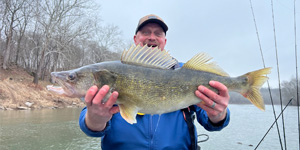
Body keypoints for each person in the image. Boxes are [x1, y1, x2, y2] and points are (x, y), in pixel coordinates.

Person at [79, 14, 230, 150]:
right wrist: (94, 119)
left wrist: (219, 114)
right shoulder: (116, 72)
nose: (152, 37)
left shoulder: (186, 72)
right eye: (145, 32)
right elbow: (90, 125)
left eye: (158, 33)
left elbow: (212, 121)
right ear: (135, 39)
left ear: (164, 41)